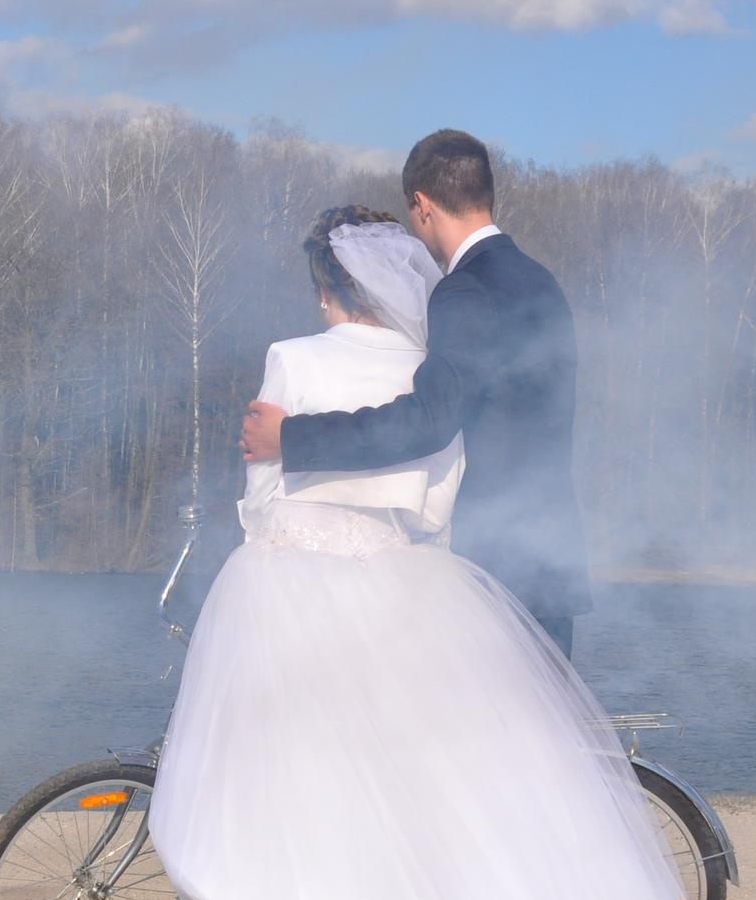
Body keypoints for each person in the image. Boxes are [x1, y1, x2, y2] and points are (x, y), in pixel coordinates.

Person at [148, 202, 739, 900]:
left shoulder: (294, 358)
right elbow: (438, 497)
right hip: (408, 587)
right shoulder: (433, 368)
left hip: (293, 585)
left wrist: (279, 526)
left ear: (324, 291)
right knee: (417, 793)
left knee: (307, 787)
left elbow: (263, 486)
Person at [239, 130, 586, 657]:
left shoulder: (466, 290)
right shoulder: (541, 281)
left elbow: (429, 420)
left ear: (421, 205)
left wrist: (290, 437)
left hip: (500, 564)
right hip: (550, 558)